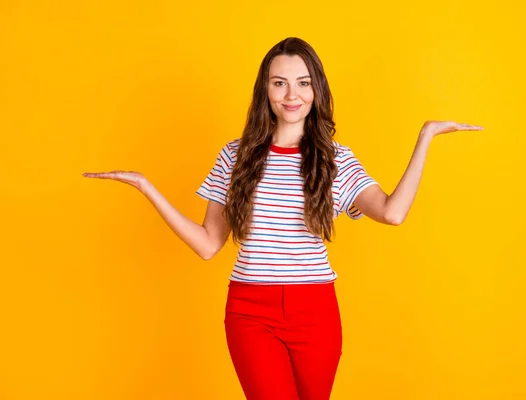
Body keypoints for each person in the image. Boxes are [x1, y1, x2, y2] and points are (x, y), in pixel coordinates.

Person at [82, 37, 483, 400]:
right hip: (250, 312)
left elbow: (393, 213)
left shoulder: (336, 160)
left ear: (317, 89)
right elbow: (208, 245)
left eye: (303, 82)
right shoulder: (234, 156)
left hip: (316, 312)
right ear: (265, 90)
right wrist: (147, 187)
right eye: (279, 83)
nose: (292, 94)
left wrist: (425, 137)